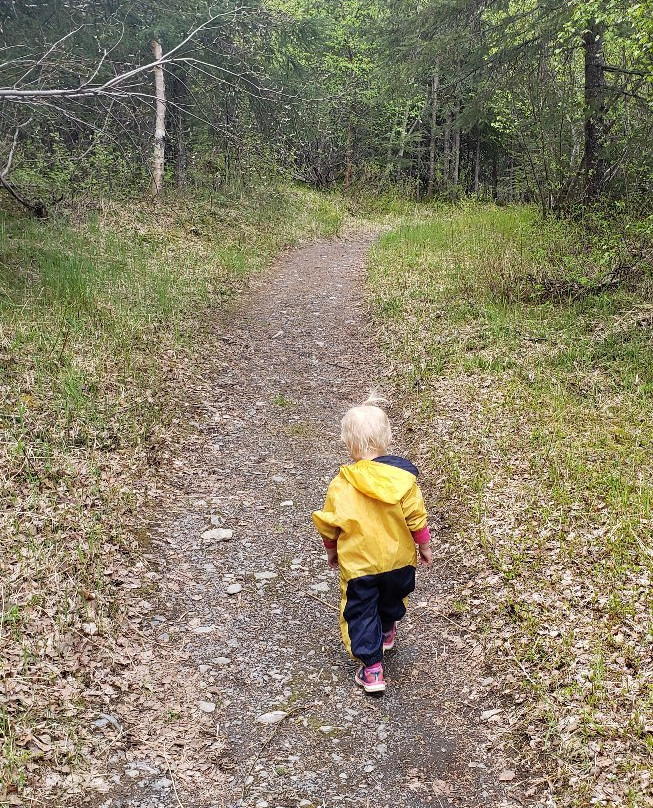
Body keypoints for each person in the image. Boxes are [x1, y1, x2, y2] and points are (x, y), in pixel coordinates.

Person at [312, 395, 432, 694]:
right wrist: (424, 546)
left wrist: (331, 551)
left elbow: (330, 522)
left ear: (347, 444)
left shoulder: (342, 483)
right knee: (393, 595)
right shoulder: (403, 480)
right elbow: (416, 516)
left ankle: (372, 669)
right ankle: (388, 628)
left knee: (361, 611)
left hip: (360, 565)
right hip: (399, 561)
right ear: (387, 438)